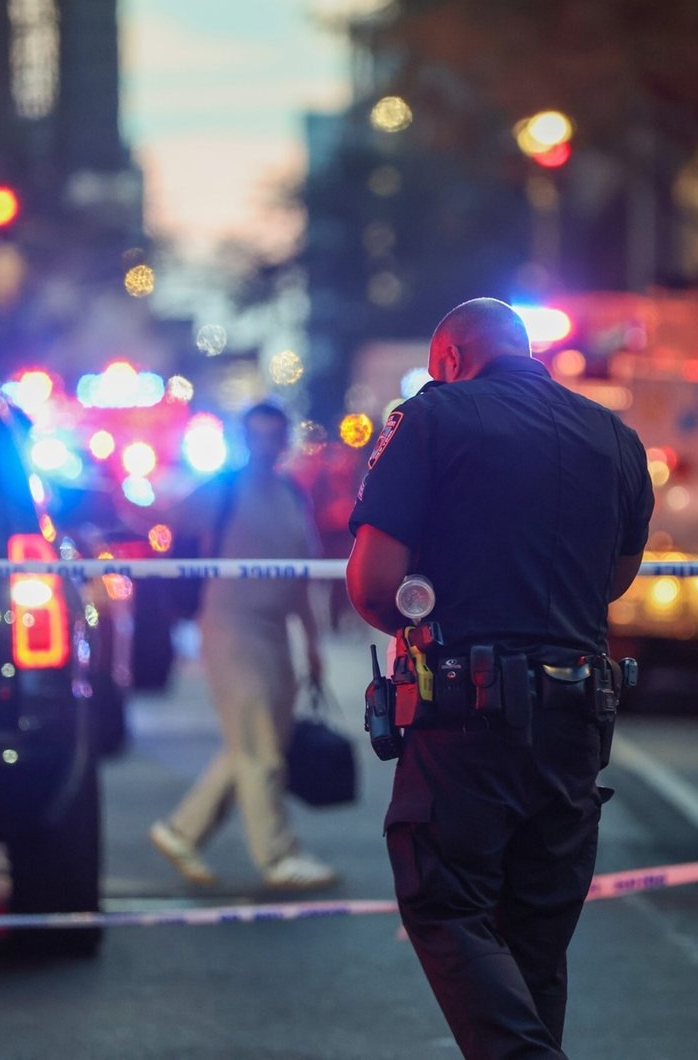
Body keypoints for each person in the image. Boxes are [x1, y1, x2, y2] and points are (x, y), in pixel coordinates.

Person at [345, 298, 653, 1059]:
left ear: (448, 358)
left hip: (467, 719)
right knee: (535, 946)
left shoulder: (435, 418)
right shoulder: (614, 435)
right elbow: (613, 580)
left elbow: (374, 583)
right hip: (577, 723)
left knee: (443, 902)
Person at [148, 401, 337, 891]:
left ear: (285, 439)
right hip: (231, 626)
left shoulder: (292, 494)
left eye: (274, 434)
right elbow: (172, 519)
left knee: (257, 739)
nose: (265, 444)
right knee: (259, 747)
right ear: (243, 439)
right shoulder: (225, 488)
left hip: (274, 629)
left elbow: (301, 578)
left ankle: (181, 830)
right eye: (256, 435)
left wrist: (311, 644)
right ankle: (277, 856)